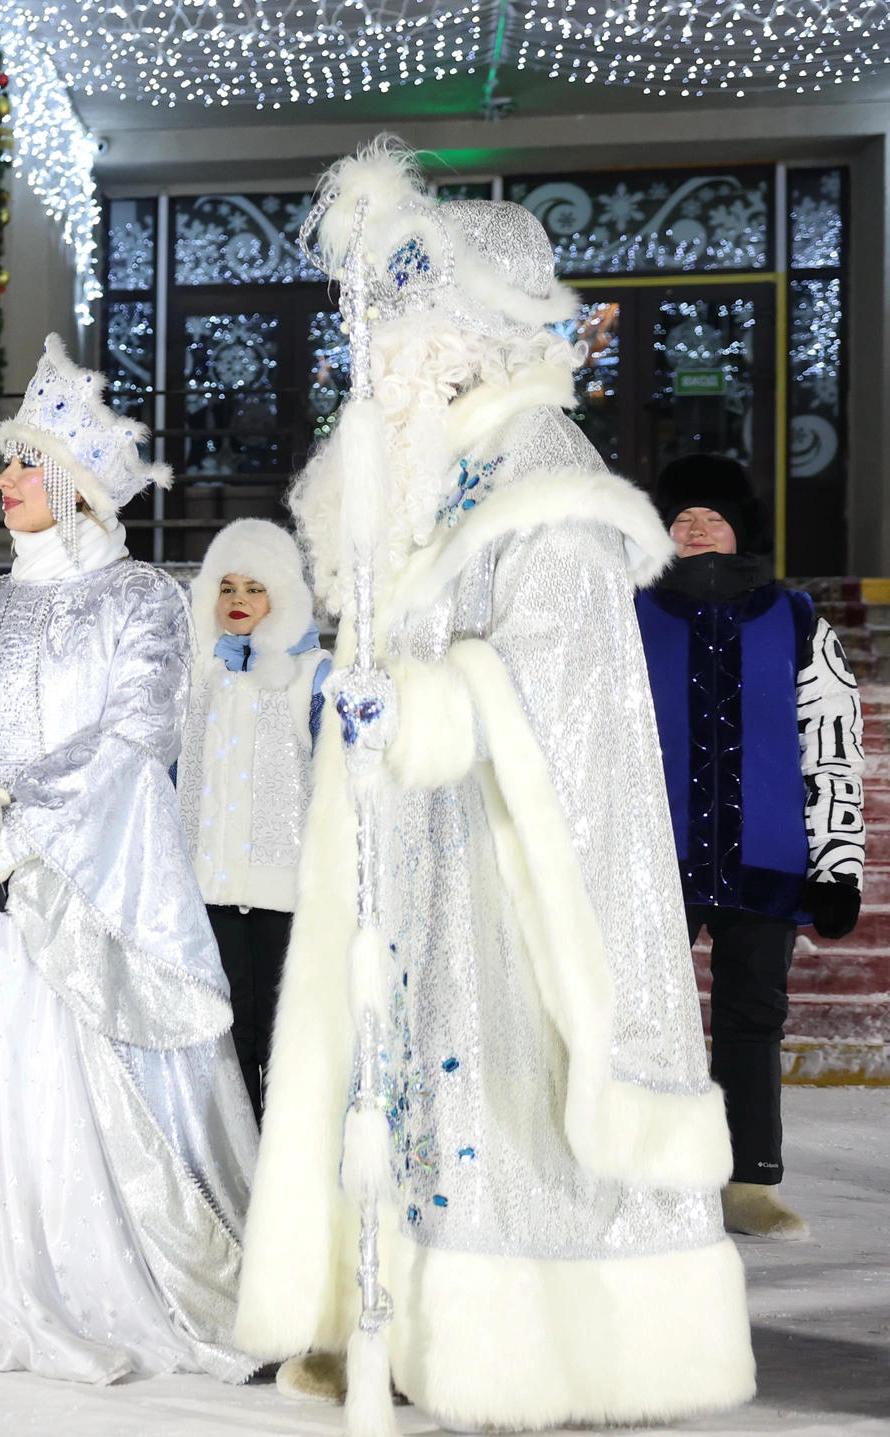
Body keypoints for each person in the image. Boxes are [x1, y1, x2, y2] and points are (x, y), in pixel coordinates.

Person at [236, 142, 752, 1428]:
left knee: (500, 1098)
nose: (387, 365)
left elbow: (560, 703)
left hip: (501, 875)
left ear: (470, 333)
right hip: (419, 853)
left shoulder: (544, 492)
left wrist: (414, 706)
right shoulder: (434, 489)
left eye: (409, 333)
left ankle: (538, 1339)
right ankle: (402, 1316)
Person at [0, 334, 260, 1385]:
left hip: (86, 890)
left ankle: (118, 1282)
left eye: (24, 464)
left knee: (88, 1083)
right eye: (6, 464)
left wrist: (13, 821)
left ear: (74, 485)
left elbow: (136, 734)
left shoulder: (137, 601)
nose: (2, 481)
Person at [636, 452, 863, 1242]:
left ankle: (748, 1179)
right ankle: (649, 1173)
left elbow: (831, 741)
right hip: (647, 858)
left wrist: (838, 861)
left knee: (753, 1016)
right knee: (640, 1020)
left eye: (715, 516)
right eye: (683, 516)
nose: (698, 525)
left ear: (741, 533)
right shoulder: (623, 614)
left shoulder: (796, 617)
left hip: (766, 850)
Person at [175, 519, 329, 1120]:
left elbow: (333, 778)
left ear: (282, 595)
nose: (238, 602)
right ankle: (236, 1167)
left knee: (283, 1033)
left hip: (286, 889)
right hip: (207, 885)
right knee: (224, 1033)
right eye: (227, 587)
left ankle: (282, 1172)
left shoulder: (313, 674)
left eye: (254, 589)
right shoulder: (195, 676)